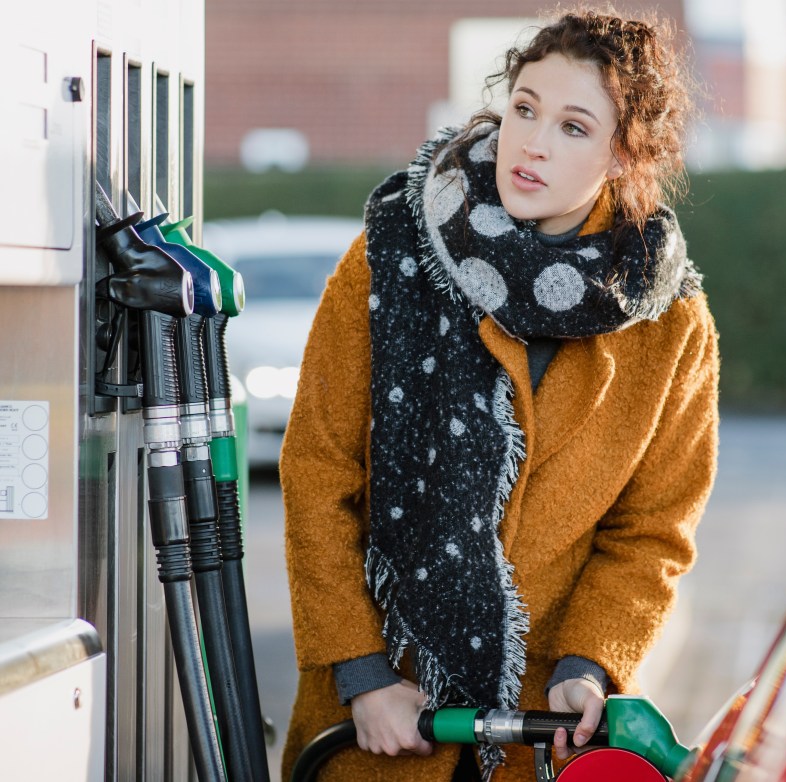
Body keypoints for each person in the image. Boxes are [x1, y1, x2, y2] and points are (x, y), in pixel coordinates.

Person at [280, 6, 719, 782]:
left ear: (623, 156)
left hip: (544, 735)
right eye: (525, 107)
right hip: (380, 725)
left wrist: (588, 666)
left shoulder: (668, 321)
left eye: (575, 127)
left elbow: (651, 532)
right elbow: (318, 471)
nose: (534, 142)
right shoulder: (390, 256)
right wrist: (362, 675)